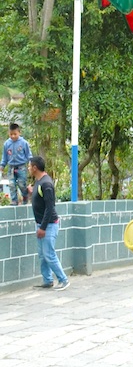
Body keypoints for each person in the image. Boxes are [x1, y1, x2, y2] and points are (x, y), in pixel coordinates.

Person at [28, 156, 70, 290]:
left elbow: (50, 207)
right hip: (41, 224)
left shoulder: (46, 184)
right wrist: (32, 191)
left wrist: (43, 227)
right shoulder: (39, 181)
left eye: (29, 166)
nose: (28, 168)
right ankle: (47, 280)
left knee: (49, 254)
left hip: (48, 225)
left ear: (35, 168)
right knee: (42, 255)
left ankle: (63, 280)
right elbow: (40, 199)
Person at [0, 123, 33, 205]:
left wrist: (31, 163)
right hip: (11, 167)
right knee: (11, 184)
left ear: (19, 133)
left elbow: (29, 155)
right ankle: (14, 200)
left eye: (15, 134)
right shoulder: (7, 144)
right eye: (11, 134)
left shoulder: (24, 143)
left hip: (21, 167)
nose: (13, 136)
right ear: (9, 133)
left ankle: (25, 196)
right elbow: (4, 157)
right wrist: (2, 165)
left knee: (22, 184)